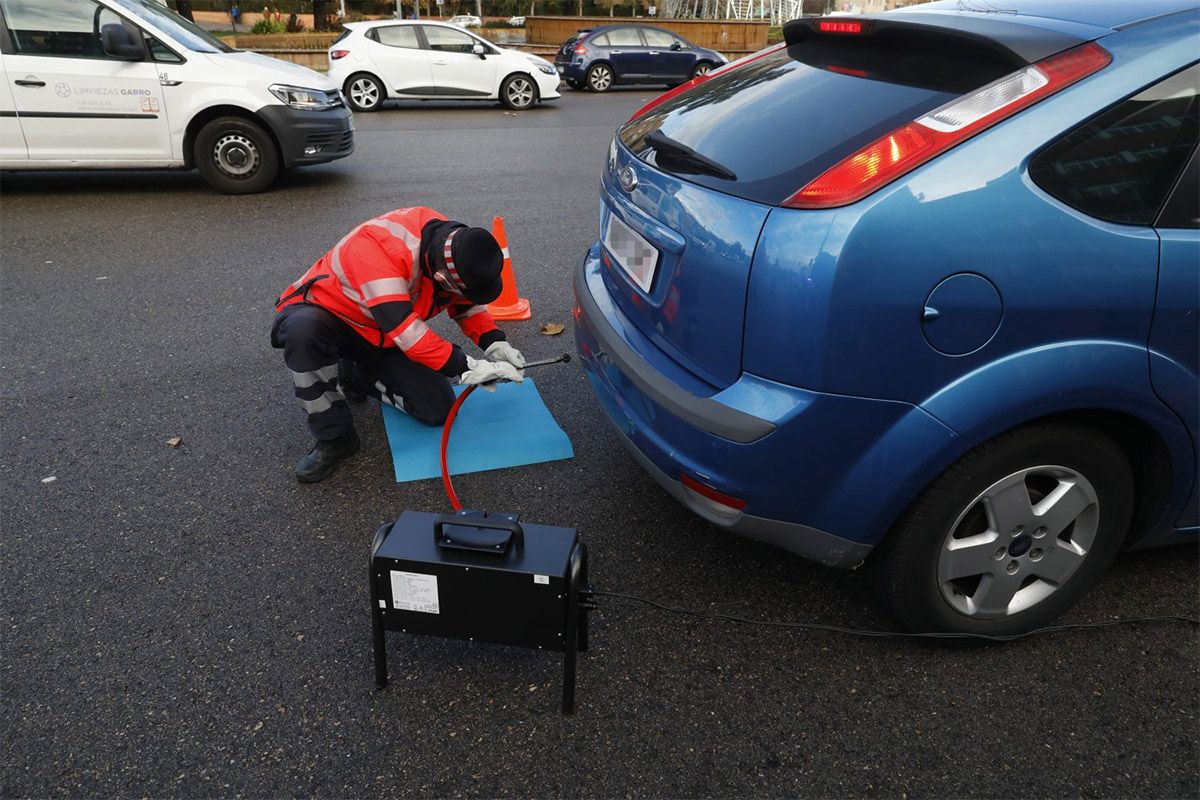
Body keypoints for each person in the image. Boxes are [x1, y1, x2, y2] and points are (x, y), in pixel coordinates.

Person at [271, 207, 526, 482]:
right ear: (442, 279)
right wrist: (466, 366)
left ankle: (355, 375)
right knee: (302, 332)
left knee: (437, 409)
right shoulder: (378, 251)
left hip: (382, 332)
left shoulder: (452, 247)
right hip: (331, 319)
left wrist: (495, 342)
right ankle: (335, 437)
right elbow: (408, 333)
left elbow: (465, 305)